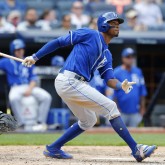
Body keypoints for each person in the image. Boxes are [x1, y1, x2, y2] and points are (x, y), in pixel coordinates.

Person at [22, 12, 157, 162]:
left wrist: (121, 85)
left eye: (118, 23)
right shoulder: (90, 34)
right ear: (104, 25)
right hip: (69, 80)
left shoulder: (107, 54)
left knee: (89, 120)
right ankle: (136, 150)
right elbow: (59, 42)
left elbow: (109, 80)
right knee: (111, 107)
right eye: (114, 23)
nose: (117, 25)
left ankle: (53, 148)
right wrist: (35, 57)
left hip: (75, 83)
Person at [0, 39, 52, 131]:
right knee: (13, 98)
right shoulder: (6, 61)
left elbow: (33, 78)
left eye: (21, 49)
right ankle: (21, 123)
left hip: (29, 86)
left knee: (46, 97)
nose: (20, 51)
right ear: (13, 51)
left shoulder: (28, 61)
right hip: (16, 87)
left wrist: (30, 89)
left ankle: (40, 122)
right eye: (17, 50)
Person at [114, 48, 147, 127]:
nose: (130, 59)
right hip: (121, 111)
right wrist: (116, 108)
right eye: (128, 57)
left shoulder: (138, 71)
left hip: (135, 111)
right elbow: (113, 92)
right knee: (120, 134)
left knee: (134, 134)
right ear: (123, 58)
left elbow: (142, 91)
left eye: (132, 57)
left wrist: (142, 107)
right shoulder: (116, 72)